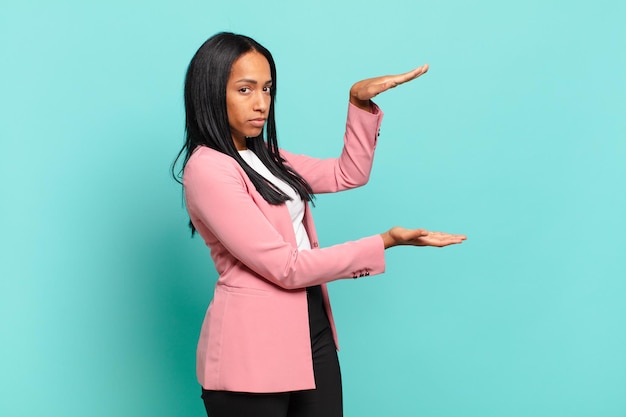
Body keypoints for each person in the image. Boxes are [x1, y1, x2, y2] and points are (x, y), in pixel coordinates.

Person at [172, 32, 466, 417]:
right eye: (245, 90)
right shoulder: (208, 168)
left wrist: (359, 103)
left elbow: (348, 174)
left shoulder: (269, 157)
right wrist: (384, 242)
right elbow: (286, 266)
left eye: (267, 88)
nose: (262, 103)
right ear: (210, 92)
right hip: (252, 349)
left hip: (311, 328)